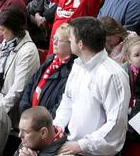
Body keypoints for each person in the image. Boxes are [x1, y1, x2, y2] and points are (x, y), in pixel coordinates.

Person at [53, 17, 130, 156]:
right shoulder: (78, 65)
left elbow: (116, 124)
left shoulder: (112, 75)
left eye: (71, 38)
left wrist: (81, 145)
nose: (68, 41)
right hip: (71, 145)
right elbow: (68, 100)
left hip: (93, 152)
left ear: (81, 44)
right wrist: (57, 126)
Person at [0, 6, 40, 121]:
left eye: (2, 30)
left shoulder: (28, 51)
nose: (0, 34)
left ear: (14, 28)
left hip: (11, 113)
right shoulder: (7, 42)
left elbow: (18, 88)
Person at [21, 24, 76, 115]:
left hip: (46, 123)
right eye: (54, 38)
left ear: (70, 44)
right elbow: (30, 85)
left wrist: (42, 121)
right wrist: (26, 111)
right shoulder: (49, 61)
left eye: (59, 40)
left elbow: (61, 104)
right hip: (32, 117)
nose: (54, 42)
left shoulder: (71, 70)